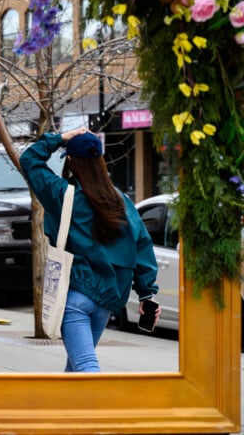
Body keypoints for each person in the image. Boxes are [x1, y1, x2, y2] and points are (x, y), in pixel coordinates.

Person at [20, 128, 160, 372]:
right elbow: (142, 245)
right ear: (100, 161)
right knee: (75, 369)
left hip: (75, 296)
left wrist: (60, 138)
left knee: (85, 367)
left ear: (72, 161)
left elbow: (29, 159)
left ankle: (105, 410)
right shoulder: (120, 201)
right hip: (107, 300)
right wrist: (147, 294)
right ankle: (65, 411)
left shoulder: (62, 194)